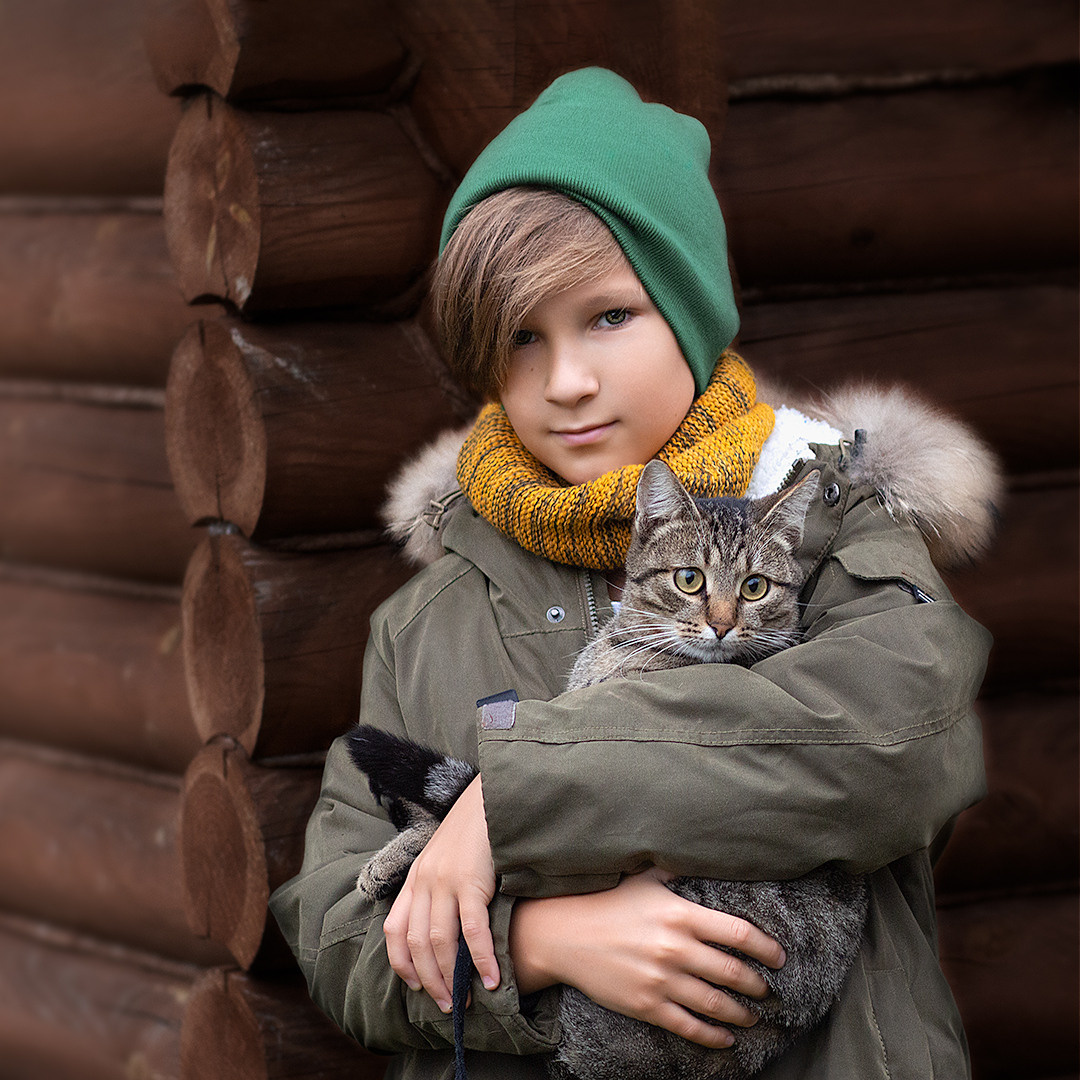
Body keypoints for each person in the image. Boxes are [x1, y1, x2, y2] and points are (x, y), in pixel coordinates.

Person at [270, 68, 996, 1080]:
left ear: (688, 315)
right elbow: (338, 927)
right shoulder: (429, 615)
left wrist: (509, 799)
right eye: (523, 337)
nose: (566, 382)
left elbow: (906, 747)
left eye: (609, 316)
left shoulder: (832, 533)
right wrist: (539, 947)